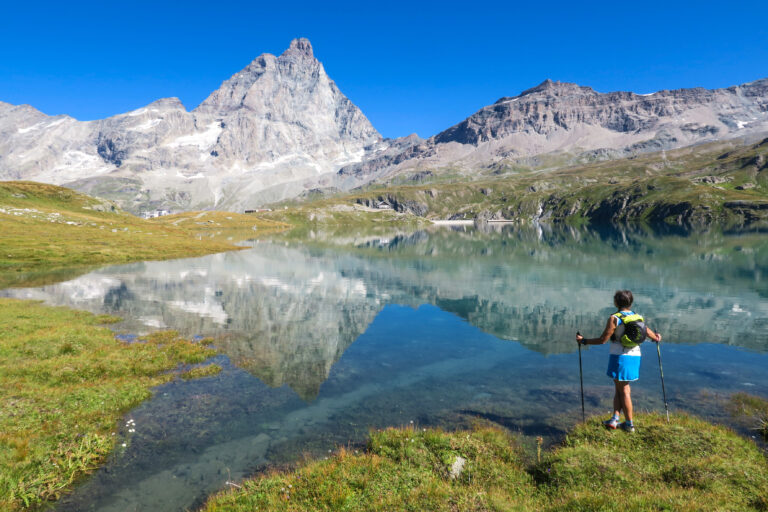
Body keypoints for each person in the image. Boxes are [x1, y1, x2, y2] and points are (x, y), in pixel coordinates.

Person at [576, 290, 661, 432]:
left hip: (620, 357)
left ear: (616, 302)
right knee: (619, 388)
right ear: (630, 302)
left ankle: (629, 424)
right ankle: (615, 418)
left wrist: (584, 341)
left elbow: (603, 340)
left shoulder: (614, 318)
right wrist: (656, 337)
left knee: (625, 390)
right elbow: (648, 332)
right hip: (635, 356)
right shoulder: (637, 316)